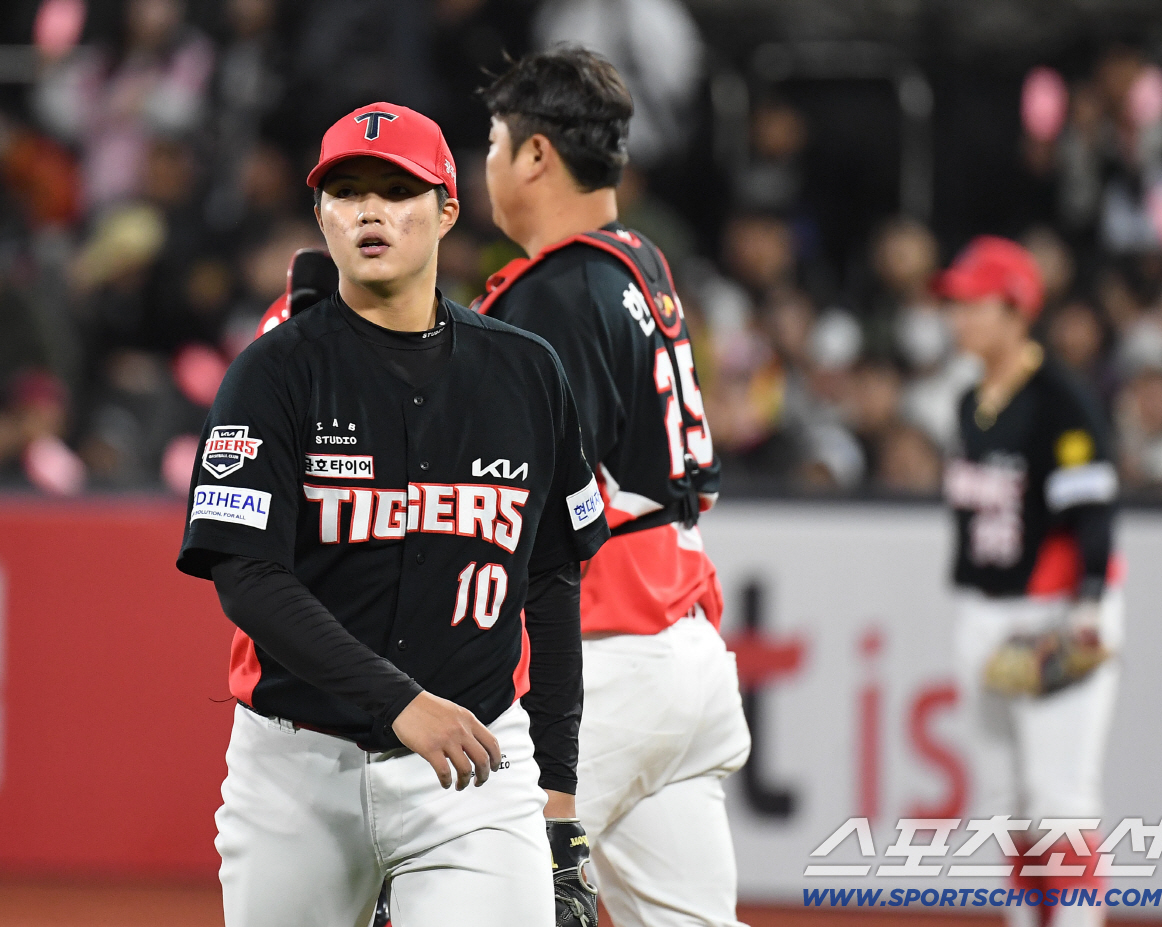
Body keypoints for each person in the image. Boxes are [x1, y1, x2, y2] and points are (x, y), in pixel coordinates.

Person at [177, 101, 609, 927]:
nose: (371, 210)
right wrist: (401, 700)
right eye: (346, 191)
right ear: (321, 215)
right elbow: (247, 575)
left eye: (399, 189)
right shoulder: (271, 375)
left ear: (448, 208)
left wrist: (558, 797)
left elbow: (552, 586)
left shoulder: (528, 373)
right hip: (298, 768)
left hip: (473, 768)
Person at [476, 48, 752, 927]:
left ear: (534, 156)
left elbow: (522, 504)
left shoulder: (556, 291)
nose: (483, 162)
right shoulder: (636, 264)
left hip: (610, 651)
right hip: (685, 643)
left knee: (470, 884)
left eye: (492, 140)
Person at [940, 236, 1123, 927]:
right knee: (1004, 797)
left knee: (1060, 798)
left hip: (1054, 608)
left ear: (1016, 308)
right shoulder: (970, 402)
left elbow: (1093, 509)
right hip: (985, 610)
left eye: (971, 302)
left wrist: (1090, 602)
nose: (957, 317)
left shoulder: (1061, 401)